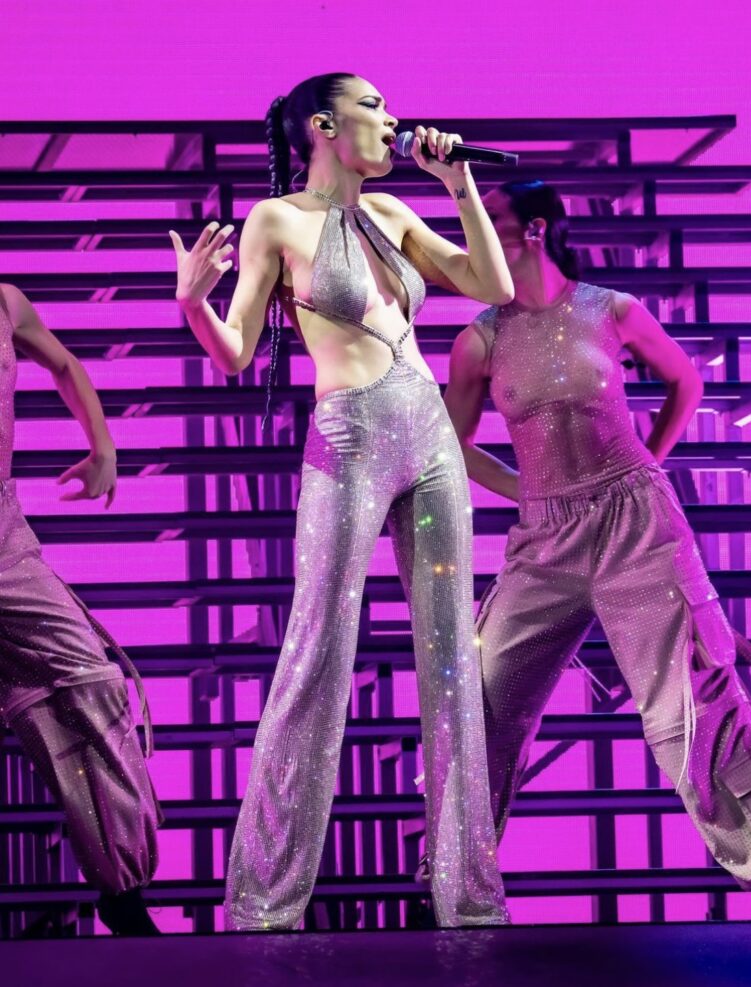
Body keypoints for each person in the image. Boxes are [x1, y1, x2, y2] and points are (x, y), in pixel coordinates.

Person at [169, 72, 514, 931]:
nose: (393, 120)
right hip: (349, 439)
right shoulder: (277, 219)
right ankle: (264, 900)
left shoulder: (395, 213)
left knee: (451, 661)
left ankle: (468, 894)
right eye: (375, 107)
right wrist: (192, 302)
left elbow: (493, 285)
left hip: (429, 435)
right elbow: (236, 351)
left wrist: (458, 182)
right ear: (325, 126)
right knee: (318, 647)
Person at [444, 179, 751, 896]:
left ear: (535, 228)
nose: (476, 230)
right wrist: (526, 491)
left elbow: (684, 381)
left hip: (639, 525)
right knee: (483, 699)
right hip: (546, 541)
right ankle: (454, 878)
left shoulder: (612, 309)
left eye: (492, 217)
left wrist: (648, 468)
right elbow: (455, 442)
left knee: (689, 696)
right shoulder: (480, 339)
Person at [0, 283, 161, 935]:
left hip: (5, 540)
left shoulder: (6, 302)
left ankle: (121, 888)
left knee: (83, 684)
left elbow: (63, 364)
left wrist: (104, 447)